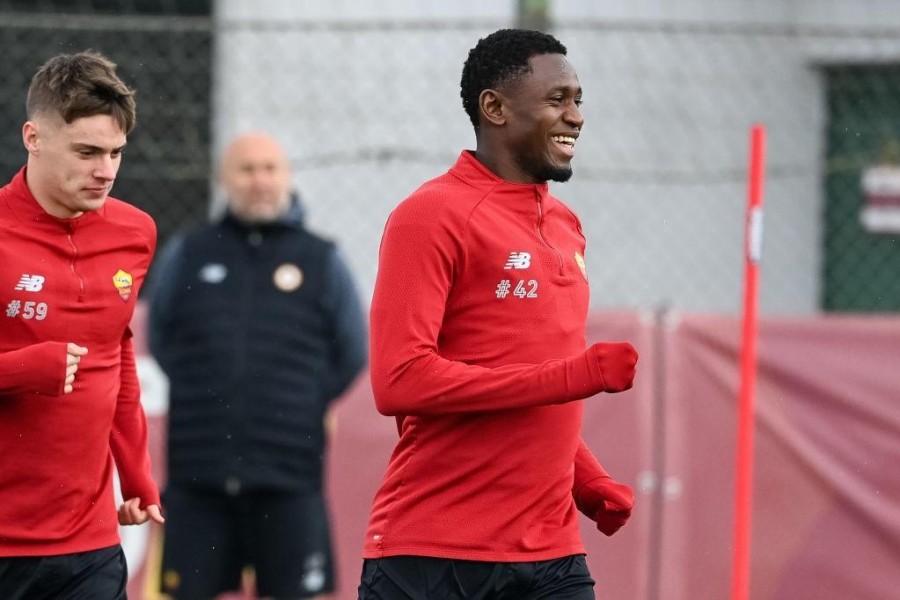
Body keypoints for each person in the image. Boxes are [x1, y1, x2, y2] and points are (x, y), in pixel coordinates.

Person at [357, 29, 639, 600]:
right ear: (495, 108)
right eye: (558, 99)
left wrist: (588, 480)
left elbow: (523, 373)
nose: (577, 116)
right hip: (435, 552)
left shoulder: (566, 225)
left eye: (579, 99)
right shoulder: (430, 215)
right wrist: (575, 376)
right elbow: (399, 380)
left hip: (553, 553)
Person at [147, 132, 368, 599]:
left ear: (286, 178)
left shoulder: (322, 259)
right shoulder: (189, 253)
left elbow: (352, 350)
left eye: (270, 169)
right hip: (199, 476)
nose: (259, 181)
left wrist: (302, 400)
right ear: (225, 179)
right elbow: (162, 336)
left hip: (289, 477)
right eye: (246, 170)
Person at [0, 51, 164, 599]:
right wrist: (24, 368)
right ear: (33, 137)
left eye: (116, 152)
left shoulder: (135, 232)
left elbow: (114, 354)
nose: (106, 171)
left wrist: (135, 469)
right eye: (88, 152)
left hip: (88, 543)